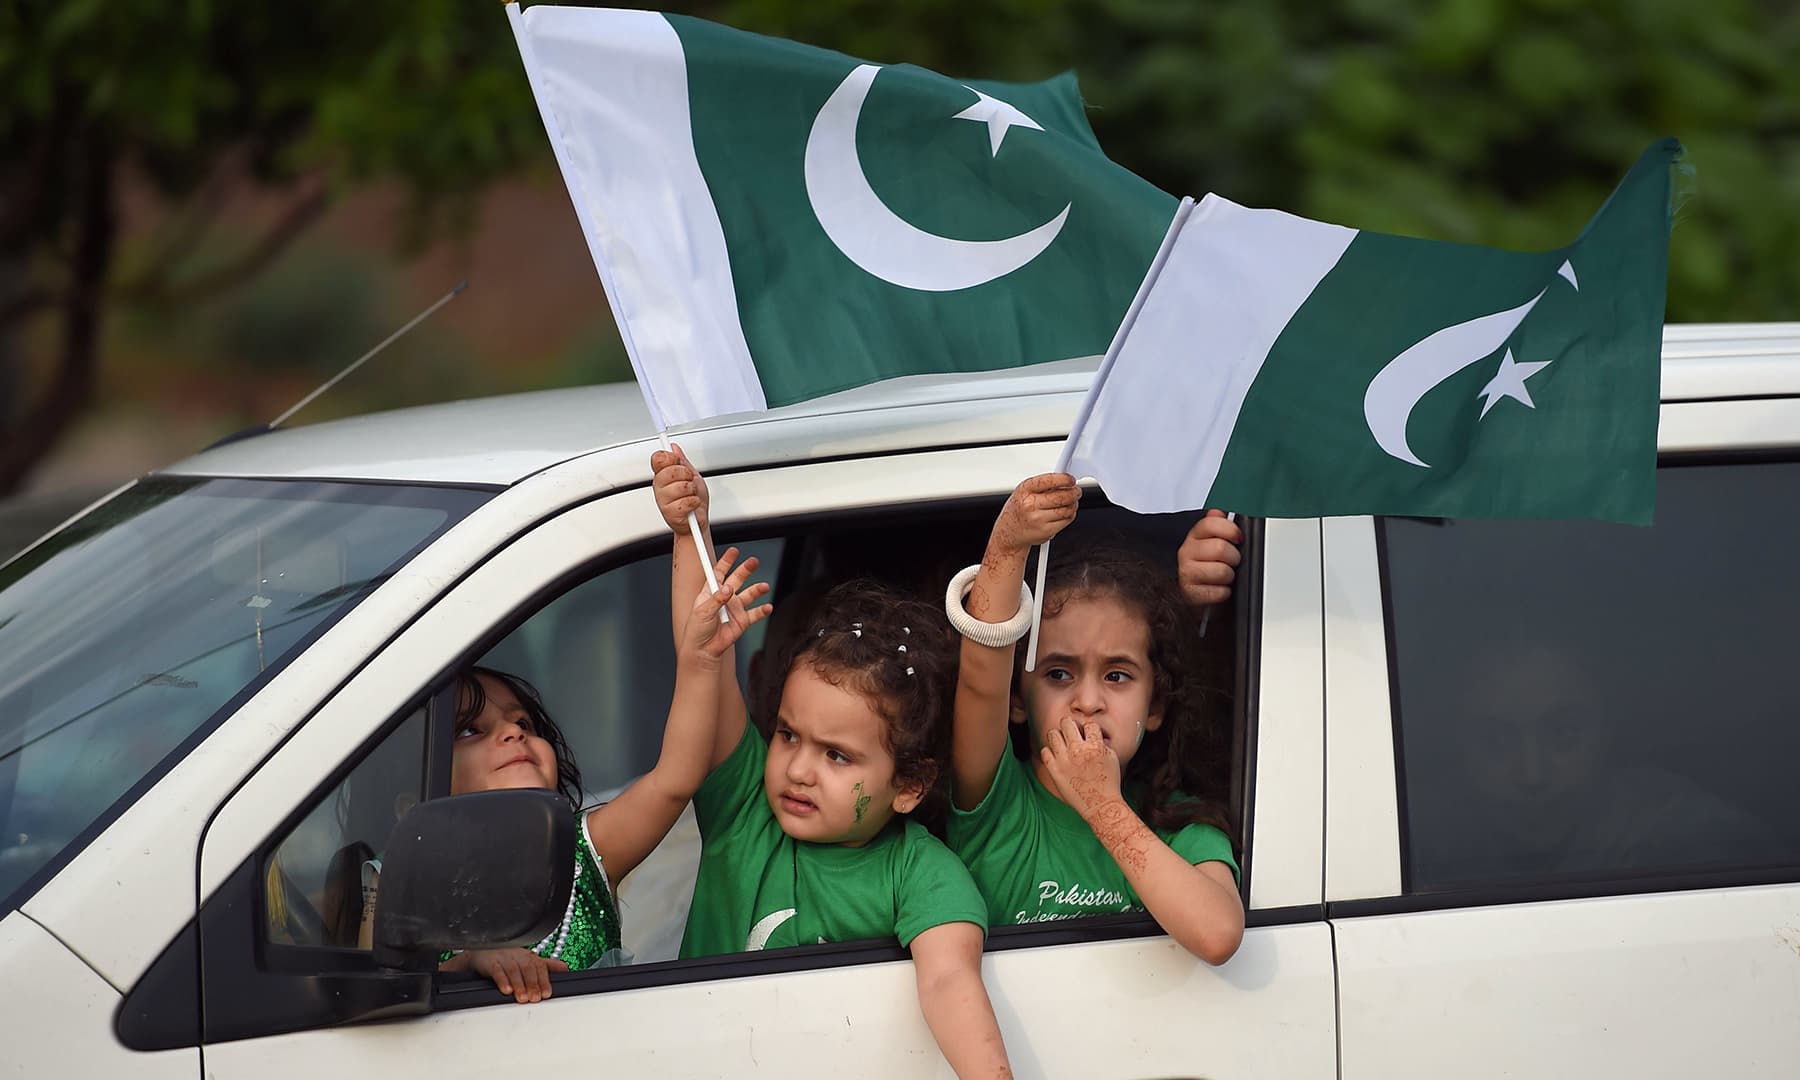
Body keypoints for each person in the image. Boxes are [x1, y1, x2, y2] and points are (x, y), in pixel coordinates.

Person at [652, 446, 1014, 1080]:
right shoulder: (744, 811)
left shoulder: (922, 873)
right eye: (789, 736)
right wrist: (690, 531)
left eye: (838, 755)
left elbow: (950, 982)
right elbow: (705, 657)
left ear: (908, 785)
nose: (797, 769)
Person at [362, 548, 770, 1003]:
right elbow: (376, 987)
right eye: (472, 730)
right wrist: (470, 961)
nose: (513, 735)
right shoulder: (394, 879)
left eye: (525, 724)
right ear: (411, 807)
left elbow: (674, 779)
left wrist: (700, 661)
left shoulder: (584, 850)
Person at [943, 473, 1244, 964]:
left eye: (1118, 677)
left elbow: (1217, 935)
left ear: (1155, 708)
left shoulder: (1180, 822)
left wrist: (1103, 806)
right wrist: (1008, 544)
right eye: (1059, 673)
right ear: (1018, 701)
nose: (1088, 701)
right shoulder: (996, 805)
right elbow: (981, 675)